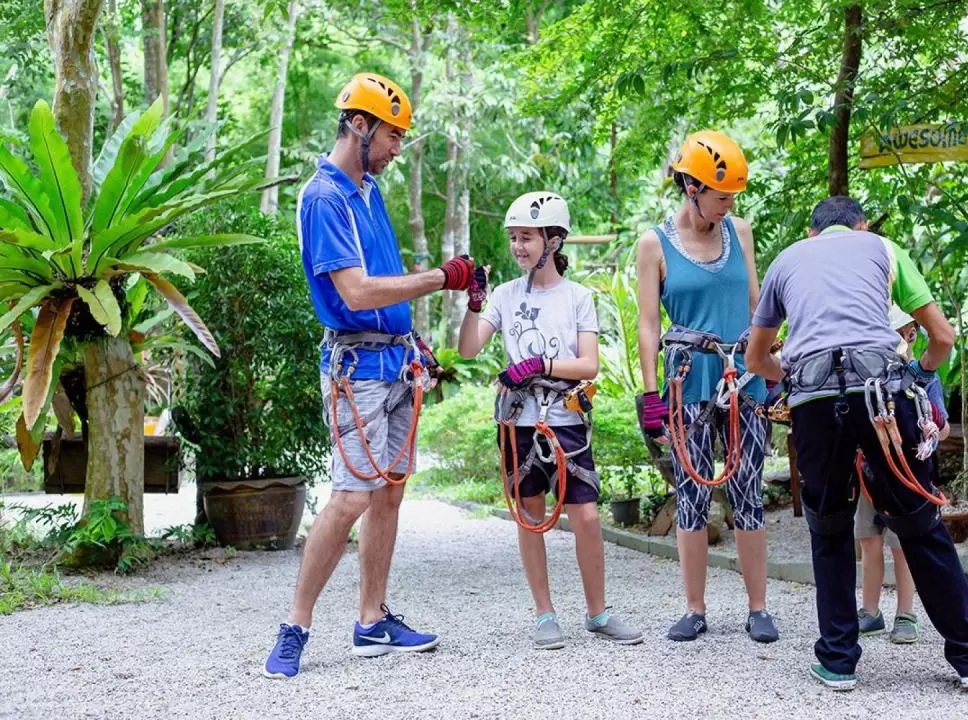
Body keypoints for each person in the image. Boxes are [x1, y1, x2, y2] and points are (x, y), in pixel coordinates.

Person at [263, 72, 481, 679]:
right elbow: (355, 293)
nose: (396, 148)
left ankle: (370, 620)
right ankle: (296, 626)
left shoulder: (367, 190)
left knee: (389, 492)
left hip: (395, 361)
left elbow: (383, 283)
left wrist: (417, 346)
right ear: (359, 125)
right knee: (353, 495)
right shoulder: (325, 198)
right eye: (392, 135)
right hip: (354, 367)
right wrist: (442, 277)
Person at [745, 195, 968, 691]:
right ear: (860, 226)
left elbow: (758, 360)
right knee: (920, 524)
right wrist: (918, 373)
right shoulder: (882, 247)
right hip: (882, 395)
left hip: (814, 404)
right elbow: (941, 338)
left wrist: (789, 377)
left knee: (829, 525)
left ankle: (839, 662)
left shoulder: (787, 259)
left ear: (813, 233)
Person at [457, 191, 643, 649]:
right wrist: (475, 304)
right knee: (530, 516)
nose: (518, 247)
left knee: (586, 516)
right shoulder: (503, 295)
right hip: (519, 422)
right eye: (513, 238)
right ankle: (544, 614)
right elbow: (467, 349)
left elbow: (588, 365)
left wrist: (539, 366)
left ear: (554, 241)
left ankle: (597, 612)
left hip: (566, 419)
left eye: (526, 238)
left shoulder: (577, 297)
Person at [636, 130, 777, 644]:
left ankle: (758, 607)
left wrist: (770, 366)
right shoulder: (655, 243)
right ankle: (694, 608)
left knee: (748, 490)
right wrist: (650, 395)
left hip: (744, 379)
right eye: (721, 195)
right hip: (687, 381)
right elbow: (648, 324)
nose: (729, 204)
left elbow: (759, 302)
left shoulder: (739, 231)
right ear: (692, 187)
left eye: (733, 197)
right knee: (693, 492)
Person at [855, 305, 951, 644]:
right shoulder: (864, 377)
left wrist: (928, 428)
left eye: (905, 333)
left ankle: (906, 613)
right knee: (868, 539)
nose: (902, 339)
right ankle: (869, 612)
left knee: (903, 543)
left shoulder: (922, 376)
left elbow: (943, 427)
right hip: (869, 472)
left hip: (908, 473)